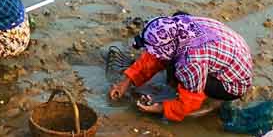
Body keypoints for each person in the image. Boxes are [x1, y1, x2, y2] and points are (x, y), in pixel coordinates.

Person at [109, 12, 254, 122]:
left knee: (183, 76)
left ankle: (212, 104)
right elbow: (153, 57)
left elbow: (190, 102)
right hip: (228, 52)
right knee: (172, 60)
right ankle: (186, 83)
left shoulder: (190, 62)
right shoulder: (180, 23)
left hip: (233, 83)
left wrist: (160, 108)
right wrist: (126, 81)